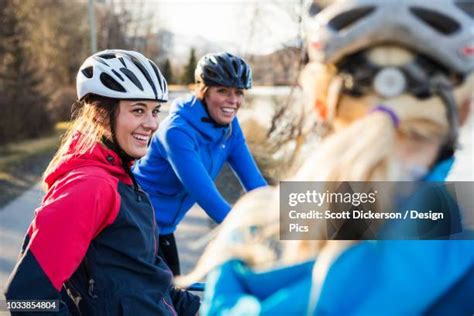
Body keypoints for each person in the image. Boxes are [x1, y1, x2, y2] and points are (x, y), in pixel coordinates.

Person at [176, 0, 474, 314]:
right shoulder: (462, 222)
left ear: (319, 103)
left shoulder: (253, 231)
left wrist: (263, 210)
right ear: (464, 110)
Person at [4, 49, 200, 315]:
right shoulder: (90, 186)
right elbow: (25, 299)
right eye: (138, 110)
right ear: (99, 114)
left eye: (155, 111)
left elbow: (147, 284)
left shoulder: (121, 177)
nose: (152, 123)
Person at [132, 52, 267, 275]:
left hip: (164, 229)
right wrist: (249, 234)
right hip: (135, 224)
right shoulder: (177, 132)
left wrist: (289, 222)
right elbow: (207, 196)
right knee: (159, 304)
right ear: (203, 91)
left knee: (174, 301)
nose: (232, 100)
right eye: (222, 90)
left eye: (238, 92)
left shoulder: (230, 129)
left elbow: (256, 184)